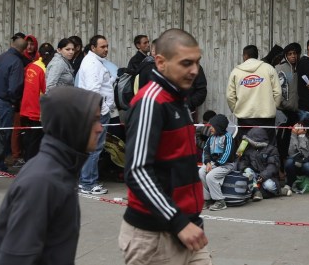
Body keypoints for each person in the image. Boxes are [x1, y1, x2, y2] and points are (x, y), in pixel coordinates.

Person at [0, 87, 103, 265]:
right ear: (73, 123)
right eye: (94, 120)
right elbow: (16, 258)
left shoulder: (61, 169)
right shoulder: (42, 180)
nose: (100, 128)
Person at [121, 29, 209, 264]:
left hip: (187, 230)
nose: (194, 70)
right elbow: (137, 171)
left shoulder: (178, 99)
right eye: (186, 63)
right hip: (154, 238)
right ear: (160, 62)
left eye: (197, 62)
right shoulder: (151, 102)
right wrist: (178, 221)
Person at [76, 35, 114, 195]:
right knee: (95, 148)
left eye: (106, 46)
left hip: (95, 111)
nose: (106, 49)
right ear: (93, 48)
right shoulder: (92, 64)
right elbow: (94, 91)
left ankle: (86, 181)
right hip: (96, 113)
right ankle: (88, 183)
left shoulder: (95, 62)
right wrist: (104, 110)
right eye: (102, 46)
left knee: (92, 147)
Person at [0, 32, 27, 174]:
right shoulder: (16, 62)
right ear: (24, 50)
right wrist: (13, 101)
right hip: (4, 102)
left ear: (11, 45)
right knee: (2, 136)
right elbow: (14, 86)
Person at [226, 45, 281, 142]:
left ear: (245, 56)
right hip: (266, 118)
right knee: (268, 146)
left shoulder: (236, 71)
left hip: (245, 118)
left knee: (244, 147)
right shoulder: (269, 69)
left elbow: (230, 96)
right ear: (257, 55)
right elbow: (278, 92)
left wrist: (236, 109)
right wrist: (272, 106)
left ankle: (243, 158)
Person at [18, 43, 55, 162]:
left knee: (28, 139)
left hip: (26, 108)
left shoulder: (31, 66)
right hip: (37, 111)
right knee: (36, 142)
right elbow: (46, 90)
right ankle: (31, 166)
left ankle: (27, 162)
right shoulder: (45, 69)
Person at [199, 114, 235, 211]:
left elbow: (227, 154)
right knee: (201, 172)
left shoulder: (228, 138)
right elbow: (206, 151)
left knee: (210, 176)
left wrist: (215, 165)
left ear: (219, 126)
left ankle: (220, 201)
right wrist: (207, 162)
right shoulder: (211, 138)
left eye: (212, 126)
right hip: (213, 163)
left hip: (226, 164)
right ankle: (207, 200)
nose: (210, 128)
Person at [238, 127, 281, 200]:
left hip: (267, 176)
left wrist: (263, 176)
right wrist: (240, 154)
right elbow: (243, 161)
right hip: (253, 174)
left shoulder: (272, 149)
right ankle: (257, 191)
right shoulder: (248, 149)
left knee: (269, 186)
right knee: (247, 171)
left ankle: (279, 191)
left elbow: (273, 166)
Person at [283, 122, 309, 196]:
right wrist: (293, 135)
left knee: (307, 165)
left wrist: (302, 137)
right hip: (298, 162)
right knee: (289, 162)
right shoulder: (295, 135)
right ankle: (289, 184)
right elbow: (291, 153)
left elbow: (308, 155)